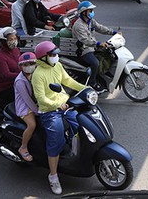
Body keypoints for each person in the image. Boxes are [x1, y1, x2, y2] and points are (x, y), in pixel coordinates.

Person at [32, 41, 86, 195]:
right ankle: (53, 176)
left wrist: (85, 88)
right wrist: (57, 104)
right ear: (43, 58)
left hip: (65, 106)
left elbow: (67, 81)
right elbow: (41, 99)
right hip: (49, 112)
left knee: (81, 125)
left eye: (56, 54)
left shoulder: (58, 66)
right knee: (56, 138)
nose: (56, 57)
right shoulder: (38, 74)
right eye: (52, 55)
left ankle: (73, 152)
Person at [71, 1, 112, 92]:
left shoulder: (90, 21)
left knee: (107, 54)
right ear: (84, 12)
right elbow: (85, 40)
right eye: (90, 11)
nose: (92, 12)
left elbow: (100, 27)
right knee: (95, 63)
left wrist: (113, 32)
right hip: (83, 49)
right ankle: (92, 82)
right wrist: (98, 43)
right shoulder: (78, 25)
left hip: (92, 47)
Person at [14, 52, 39, 163]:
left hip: (36, 102)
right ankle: (23, 147)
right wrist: (37, 111)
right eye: (25, 65)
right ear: (20, 67)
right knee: (32, 125)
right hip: (25, 106)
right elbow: (27, 99)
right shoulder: (20, 81)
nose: (29, 66)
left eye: (31, 63)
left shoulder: (36, 74)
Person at [0, 27, 20, 105]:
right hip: (5, 88)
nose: (14, 41)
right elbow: (6, 75)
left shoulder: (16, 50)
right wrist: (23, 75)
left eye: (15, 38)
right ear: (4, 41)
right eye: (11, 39)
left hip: (16, 83)